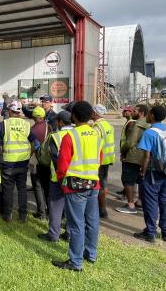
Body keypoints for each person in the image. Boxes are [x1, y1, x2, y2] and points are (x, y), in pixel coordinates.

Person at [52, 101, 102, 272]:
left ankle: (75, 262)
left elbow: (62, 166)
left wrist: (62, 183)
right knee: (92, 220)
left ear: (73, 116)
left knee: (76, 224)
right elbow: (99, 159)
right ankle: (91, 254)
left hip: (75, 186)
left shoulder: (70, 136)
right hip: (93, 184)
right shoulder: (97, 134)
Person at [134, 105, 166, 243]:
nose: (147, 116)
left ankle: (150, 233)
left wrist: (142, 172)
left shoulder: (149, 133)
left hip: (152, 173)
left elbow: (147, 157)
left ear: (153, 116)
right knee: (165, 202)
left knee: (150, 202)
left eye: (149, 113)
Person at [0, 100, 38, 222]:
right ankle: (22, 216)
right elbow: (32, 143)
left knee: (8, 190)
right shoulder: (26, 124)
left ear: (10, 111)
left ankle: (7, 215)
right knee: (22, 189)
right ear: (19, 112)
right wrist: (28, 156)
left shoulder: (3, 125)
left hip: (7, 162)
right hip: (23, 162)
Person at [38, 110, 73, 242]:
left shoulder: (56, 136)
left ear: (61, 122)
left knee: (55, 206)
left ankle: (53, 234)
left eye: (58, 121)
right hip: (75, 177)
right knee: (71, 207)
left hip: (58, 177)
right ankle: (69, 233)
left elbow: (51, 158)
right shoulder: (76, 134)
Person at [116, 104, 150, 214]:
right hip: (145, 157)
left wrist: (123, 151)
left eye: (135, 111)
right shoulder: (149, 125)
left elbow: (130, 142)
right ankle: (139, 202)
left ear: (141, 113)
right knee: (141, 180)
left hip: (133, 156)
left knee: (128, 180)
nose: (133, 112)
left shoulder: (136, 124)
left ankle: (130, 205)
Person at [91, 104, 115, 219]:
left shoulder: (97, 127)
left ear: (95, 113)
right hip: (108, 158)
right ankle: (102, 207)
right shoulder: (107, 125)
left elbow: (94, 145)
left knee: (99, 185)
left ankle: (102, 210)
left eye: (92, 112)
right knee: (104, 184)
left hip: (100, 160)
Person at [30, 106, 52, 219]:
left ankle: (41, 213)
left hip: (36, 161)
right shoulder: (49, 126)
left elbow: (31, 147)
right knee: (48, 187)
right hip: (48, 161)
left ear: (34, 117)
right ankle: (50, 212)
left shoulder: (33, 129)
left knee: (37, 187)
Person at [116, 106, 135, 198]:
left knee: (126, 176)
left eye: (126, 111)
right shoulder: (129, 122)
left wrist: (124, 153)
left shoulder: (131, 123)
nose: (123, 112)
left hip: (127, 153)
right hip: (126, 152)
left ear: (131, 112)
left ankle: (127, 195)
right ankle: (125, 191)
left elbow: (129, 141)